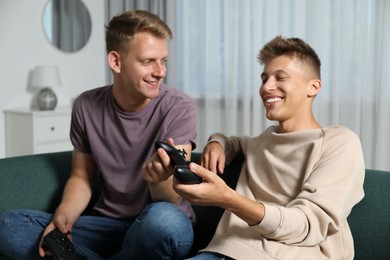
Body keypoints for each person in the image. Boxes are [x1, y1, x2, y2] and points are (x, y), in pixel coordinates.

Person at [0, 10, 196, 260]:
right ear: (116, 61)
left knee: (166, 222)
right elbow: (81, 177)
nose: (161, 72)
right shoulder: (86, 105)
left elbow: (172, 198)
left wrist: (158, 180)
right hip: (105, 227)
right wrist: (64, 216)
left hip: (158, 224)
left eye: (164, 61)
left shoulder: (179, 106)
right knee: (10, 225)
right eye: (148, 61)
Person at [162, 36, 364, 259]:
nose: (266, 88)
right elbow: (234, 143)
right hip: (223, 251)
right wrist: (217, 142)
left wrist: (226, 198)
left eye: (280, 78)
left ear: (313, 87)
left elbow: (307, 225)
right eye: (264, 79)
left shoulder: (340, 143)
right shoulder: (261, 142)